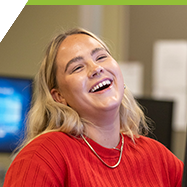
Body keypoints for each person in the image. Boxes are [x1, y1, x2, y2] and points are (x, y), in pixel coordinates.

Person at [3, 28, 183, 187]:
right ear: (59, 97)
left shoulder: (158, 157)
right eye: (77, 67)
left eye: (101, 57)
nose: (96, 68)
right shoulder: (42, 156)